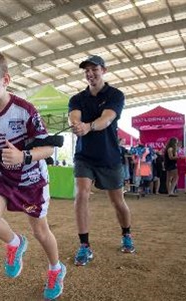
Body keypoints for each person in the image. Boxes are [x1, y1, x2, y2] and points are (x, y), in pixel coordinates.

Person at [0, 49, 66, 300]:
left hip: (31, 181)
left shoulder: (25, 110)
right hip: (2, 177)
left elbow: (48, 149)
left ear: (5, 80)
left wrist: (24, 157)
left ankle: (56, 269)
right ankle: (14, 242)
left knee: (41, 232)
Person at [68, 55, 135, 267]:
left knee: (118, 202)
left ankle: (126, 234)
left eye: (94, 69)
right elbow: (74, 117)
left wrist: (88, 127)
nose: (90, 74)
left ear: (103, 70)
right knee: (81, 195)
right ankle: (84, 246)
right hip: (84, 156)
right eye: (86, 70)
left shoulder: (116, 95)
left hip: (109, 157)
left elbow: (107, 119)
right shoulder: (77, 98)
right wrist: (77, 125)